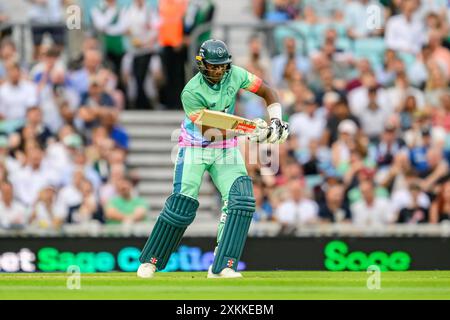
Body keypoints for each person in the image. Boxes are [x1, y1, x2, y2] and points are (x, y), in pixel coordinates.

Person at [137, 39, 289, 279]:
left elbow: (268, 91)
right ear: (201, 64)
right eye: (213, 66)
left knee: (242, 199)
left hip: (225, 148)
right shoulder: (191, 91)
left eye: (222, 66)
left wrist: (276, 121)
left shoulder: (235, 74)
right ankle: (151, 261)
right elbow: (210, 130)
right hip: (195, 147)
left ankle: (223, 265)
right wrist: (253, 130)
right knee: (182, 205)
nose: (218, 71)